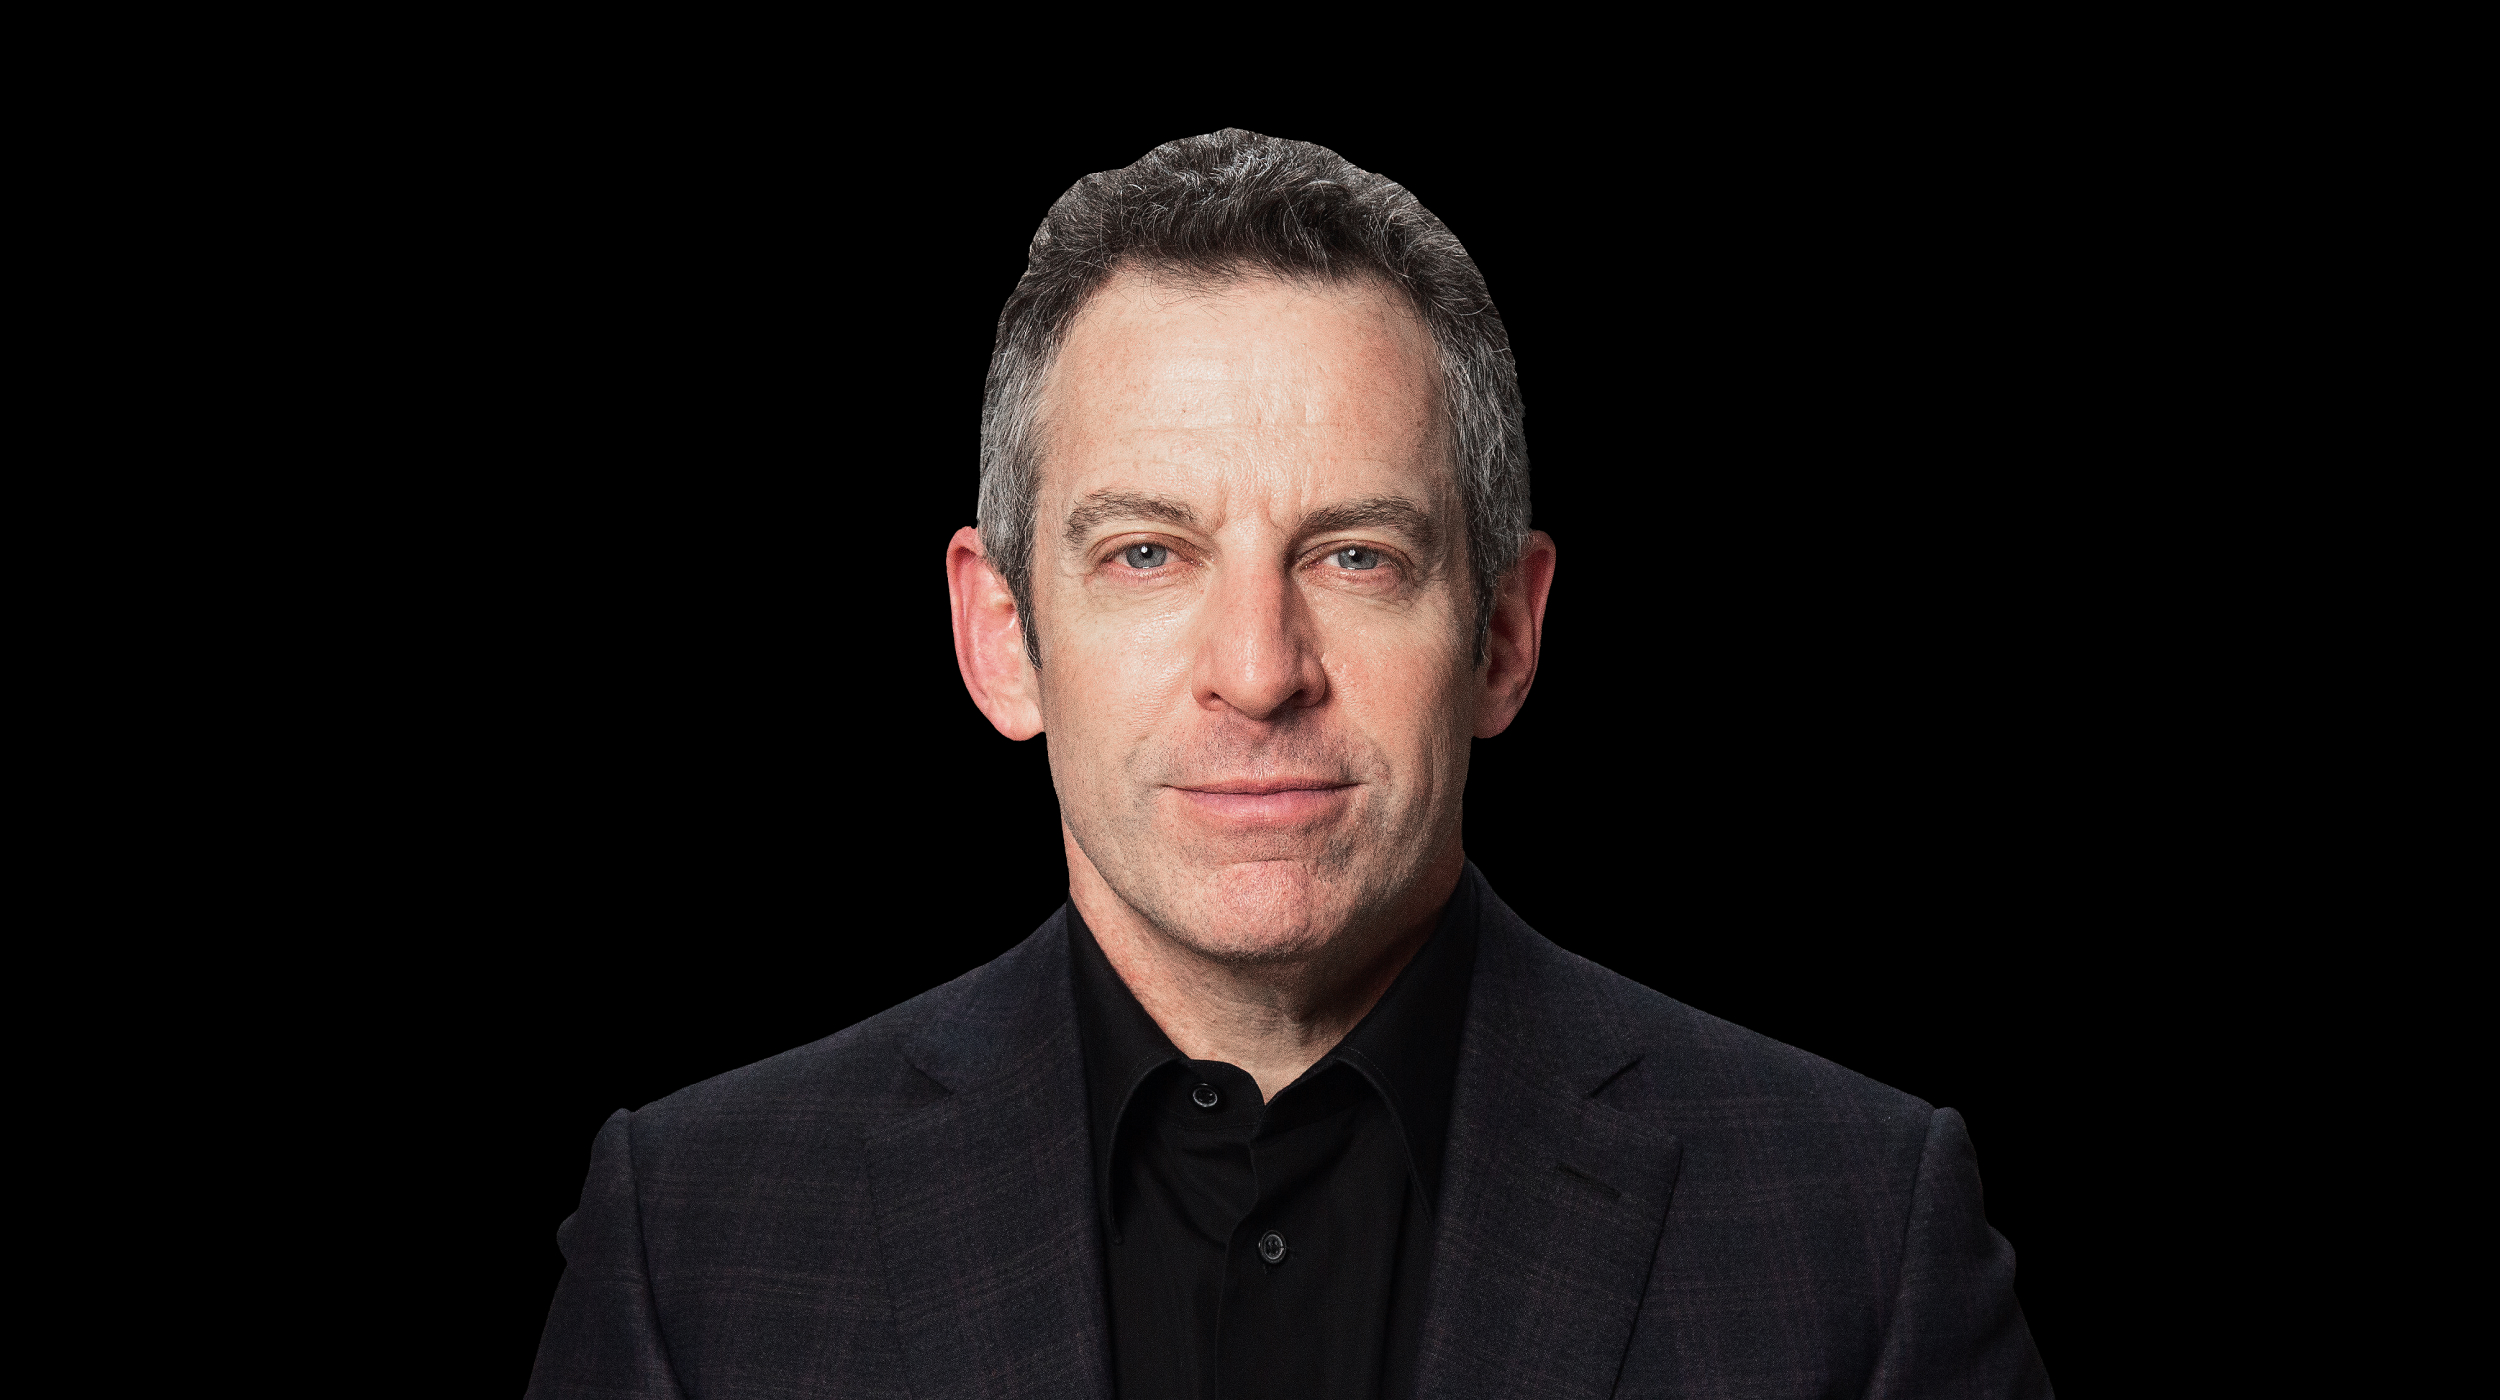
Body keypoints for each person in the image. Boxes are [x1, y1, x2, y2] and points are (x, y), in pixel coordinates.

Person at [527, 129, 2051, 1399]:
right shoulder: (697, 1240)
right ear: (1001, 637)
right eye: (1146, 552)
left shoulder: (1861, 1235)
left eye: (1357, 556)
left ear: (1507, 637)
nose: (1259, 669)